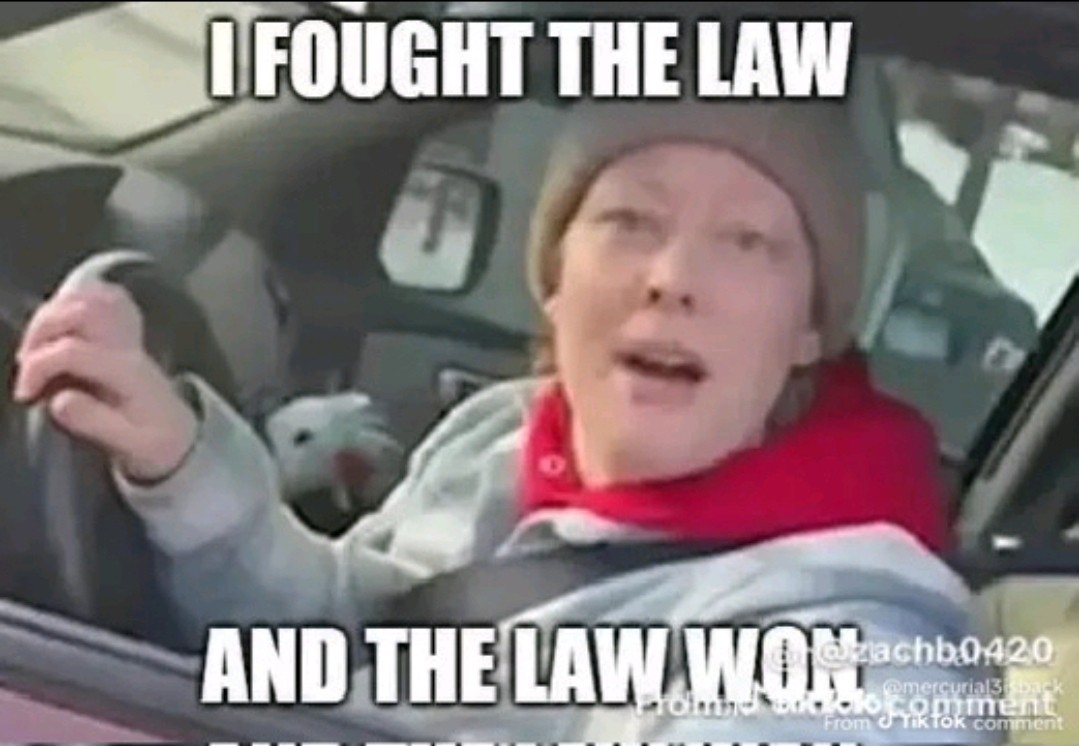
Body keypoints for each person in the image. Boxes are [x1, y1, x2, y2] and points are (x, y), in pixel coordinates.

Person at [12, 96, 998, 742]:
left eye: (747, 242)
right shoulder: (507, 433)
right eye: (630, 220)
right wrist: (179, 462)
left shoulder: (848, 625)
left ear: (808, 331)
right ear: (554, 279)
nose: (672, 277)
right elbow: (345, 636)